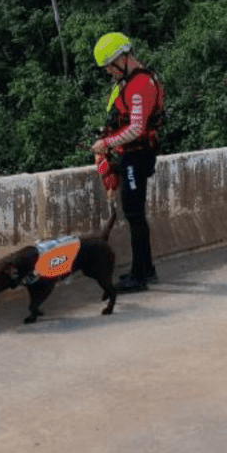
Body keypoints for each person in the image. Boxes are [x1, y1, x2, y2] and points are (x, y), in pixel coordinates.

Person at [90, 32, 165, 293]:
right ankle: (145, 270)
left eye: (110, 66)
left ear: (123, 58)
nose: (110, 72)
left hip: (136, 155)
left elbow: (136, 127)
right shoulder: (132, 81)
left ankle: (140, 275)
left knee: (135, 215)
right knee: (135, 215)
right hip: (132, 154)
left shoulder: (140, 84)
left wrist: (106, 144)